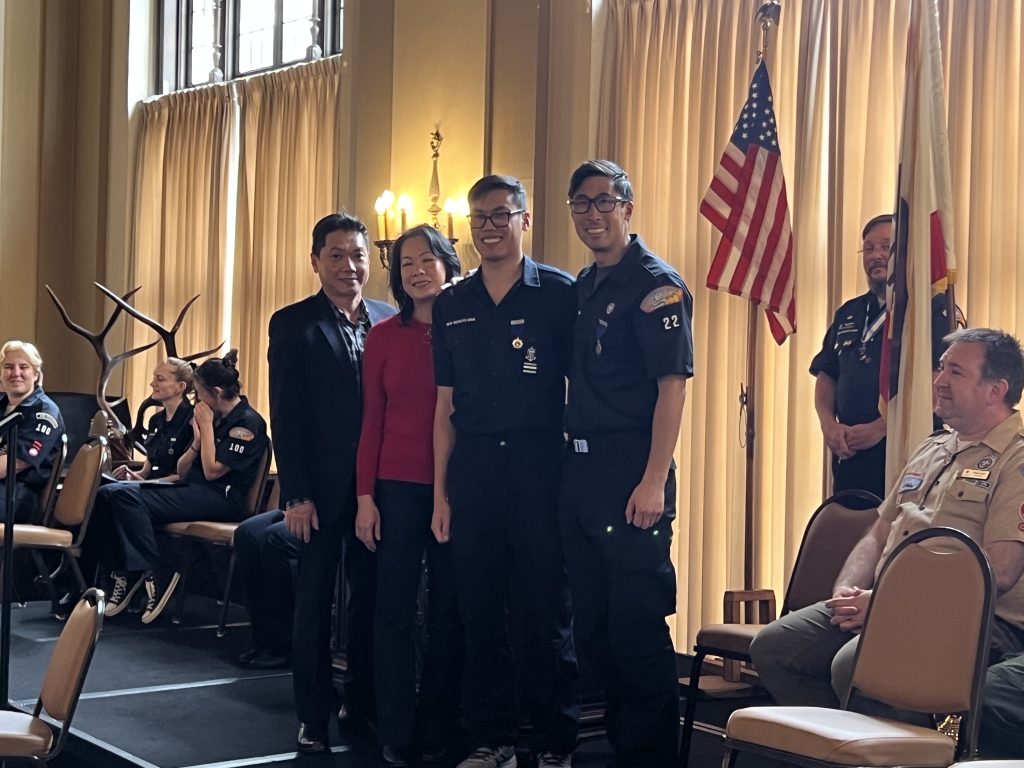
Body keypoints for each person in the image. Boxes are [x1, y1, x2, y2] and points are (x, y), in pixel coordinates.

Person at [751, 328, 1024, 749]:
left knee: (853, 665)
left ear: (996, 390)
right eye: (940, 367)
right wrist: (847, 591)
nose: (938, 380)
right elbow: (878, 533)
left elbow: (998, 571)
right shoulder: (932, 448)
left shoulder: (1016, 459)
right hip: (885, 600)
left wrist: (887, 605)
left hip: (975, 618)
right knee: (776, 647)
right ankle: (851, 753)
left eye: (955, 370)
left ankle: (915, 754)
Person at [432, 175, 579, 768]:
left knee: (545, 610)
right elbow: (444, 408)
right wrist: (442, 493)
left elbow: (582, 388)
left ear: (526, 220)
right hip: (473, 470)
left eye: (501, 215)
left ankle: (552, 741)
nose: (490, 228)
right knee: (480, 608)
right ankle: (488, 738)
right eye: (480, 218)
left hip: (540, 467)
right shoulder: (451, 303)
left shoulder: (561, 294)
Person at [558, 160, 693, 768]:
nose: (592, 213)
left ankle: (653, 758)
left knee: (636, 627)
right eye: (581, 203)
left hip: (632, 473)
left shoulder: (655, 284)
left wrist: (651, 481)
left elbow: (672, 388)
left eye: (603, 201)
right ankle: (619, 749)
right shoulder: (584, 286)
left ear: (627, 207)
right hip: (581, 475)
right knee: (594, 627)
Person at [268, 212, 397, 754]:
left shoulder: (390, 318)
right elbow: (287, 414)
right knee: (315, 605)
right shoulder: (293, 322)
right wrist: (295, 493)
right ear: (316, 260)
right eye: (338, 255)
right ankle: (314, 714)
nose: (350, 266)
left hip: (379, 490)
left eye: (359, 255)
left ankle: (361, 706)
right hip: (317, 491)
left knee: (370, 603)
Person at [355, 224, 463, 766]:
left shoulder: (467, 327)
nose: (416, 271)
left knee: (449, 612)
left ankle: (440, 727)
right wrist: (365, 497)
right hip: (395, 489)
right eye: (405, 264)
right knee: (393, 612)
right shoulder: (382, 335)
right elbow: (371, 420)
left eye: (427, 260)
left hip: (459, 490)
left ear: (448, 263)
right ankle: (395, 728)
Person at [89, 349, 268, 624]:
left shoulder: (247, 423)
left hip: (221, 498)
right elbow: (185, 472)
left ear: (217, 393)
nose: (196, 399)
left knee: (126, 498)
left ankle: (155, 571)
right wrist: (197, 441)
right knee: (108, 493)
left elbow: (211, 472)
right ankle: (124, 572)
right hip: (193, 490)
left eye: (200, 393)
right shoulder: (212, 416)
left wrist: (207, 430)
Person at [811, 213, 950, 500]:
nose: (876, 255)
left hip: (907, 452)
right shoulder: (848, 312)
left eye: (886, 247)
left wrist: (881, 428)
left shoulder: (929, 310)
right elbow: (827, 375)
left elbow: (938, 382)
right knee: (851, 535)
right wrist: (829, 425)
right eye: (869, 248)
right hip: (851, 455)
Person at [0, 340, 65, 524]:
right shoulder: (3, 407)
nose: (16, 373)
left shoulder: (44, 412)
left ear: (36, 374)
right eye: (8, 367)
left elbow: (17, 462)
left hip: (20, 495)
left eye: (23, 367)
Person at [112, 358, 195, 481]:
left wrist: (145, 483)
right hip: (151, 486)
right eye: (154, 377)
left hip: (175, 490)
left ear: (181, 386)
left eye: (160, 379)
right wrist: (130, 476)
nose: (152, 384)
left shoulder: (191, 419)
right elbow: (145, 472)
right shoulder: (155, 420)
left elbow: (185, 475)